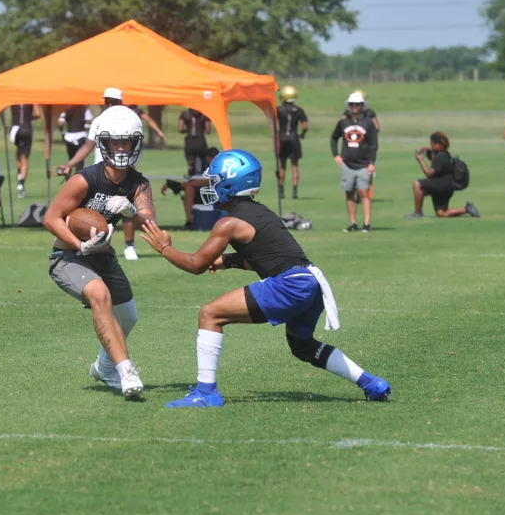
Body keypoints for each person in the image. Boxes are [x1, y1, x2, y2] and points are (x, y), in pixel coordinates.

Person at [138, 149, 392, 407]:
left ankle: (206, 393)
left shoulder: (228, 223)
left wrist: (164, 248)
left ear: (230, 185)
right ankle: (371, 383)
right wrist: (227, 261)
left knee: (210, 314)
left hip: (290, 284)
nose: (211, 187)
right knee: (302, 346)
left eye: (215, 181)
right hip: (311, 281)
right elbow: (263, 257)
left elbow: (195, 265)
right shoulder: (261, 212)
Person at [42, 105, 156, 399]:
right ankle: (125, 370)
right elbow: (51, 217)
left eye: (127, 141)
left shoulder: (138, 184)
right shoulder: (84, 179)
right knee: (99, 294)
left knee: (128, 316)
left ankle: (104, 367)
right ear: (103, 143)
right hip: (68, 256)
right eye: (115, 141)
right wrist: (78, 244)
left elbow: (148, 219)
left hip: (103, 256)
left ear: (137, 143)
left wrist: (131, 211)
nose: (121, 148)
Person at [54, 88, 168, 261]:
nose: (109, 104)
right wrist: (70, 164)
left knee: (126, 207)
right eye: (107, 101)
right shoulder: (99, 122)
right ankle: (80, 248)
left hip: (124, 174)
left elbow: (150, 221)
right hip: (99, 174)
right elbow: (88, 146)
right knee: (88, 214)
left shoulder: (131, 119)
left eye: (113, 101)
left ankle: (129, 245)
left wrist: (132, 212)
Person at [331, 91, 378, 233]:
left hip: (363, 163)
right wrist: (336, 155)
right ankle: (353, 223)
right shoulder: (343, 122)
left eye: (357, 104)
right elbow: (334, 138)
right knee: (349, 194)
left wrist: (372, 162)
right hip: (347, 163)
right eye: (352, 104)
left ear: (362, 105)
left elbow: (373, 144)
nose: (354, 106)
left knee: (364, 193)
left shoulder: (368, 123)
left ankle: (367, 224)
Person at [406, 132, 480, 219]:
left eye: (432, 144)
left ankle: (418, 213)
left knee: (417, 184)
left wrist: (420, 160)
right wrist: (429, 151)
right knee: (441, 214)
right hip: (446, 186)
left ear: (438, 144)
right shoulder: (444, 154)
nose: (431, 146)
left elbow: (429, 173)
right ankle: (467, 208)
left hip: (442, 185)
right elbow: (435, 162)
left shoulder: (441, 156)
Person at [161, 147, 220, 229]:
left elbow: (212, 180)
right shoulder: (200, 165)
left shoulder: (221, 165)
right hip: (201, 191)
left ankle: (177, 186)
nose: (211, 159)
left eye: (213, 157)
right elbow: (193, 178)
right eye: (210, 157)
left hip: (217, 191)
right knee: (189, 188)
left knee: (189, 185)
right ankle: (189, 220)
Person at [276, 86, 308, 200]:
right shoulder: (299, 110)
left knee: (282, 165)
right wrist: (302, 134)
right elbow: (305, 125)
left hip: (282, 139)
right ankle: (294, 191)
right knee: (294, 165)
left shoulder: (279, 109)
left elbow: (274, 123)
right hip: (294, 139)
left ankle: (281, 191)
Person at [9, 103, 42, 199]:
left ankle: (19, 174)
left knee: (18, 153)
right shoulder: (31, 98)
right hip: (26, 128)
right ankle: (21, 183)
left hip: (14, 130)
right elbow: (38, 114)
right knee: (24, 158)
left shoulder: (14, 98)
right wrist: (29, 117)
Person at [58, 105, 92, 173]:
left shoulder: (67, 109)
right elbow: (87, 124)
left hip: (69, 137)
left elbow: (61, 123)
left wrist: (62, 133)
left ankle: (68, 176)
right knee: (80, 159)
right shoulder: (85, 110)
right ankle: (78, 177)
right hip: (81, 136)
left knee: (71, 158)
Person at [178, 107, 211, 176]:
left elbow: (180, 129)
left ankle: (191, 172)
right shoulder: (204, 114)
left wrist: (187, 131)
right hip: (200, 140)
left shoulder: (185, 114)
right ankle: (203, 177)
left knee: (191, 161)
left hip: (189, 140)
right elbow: (207, 130)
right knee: (204, 160)